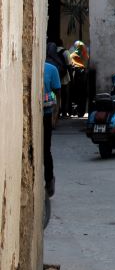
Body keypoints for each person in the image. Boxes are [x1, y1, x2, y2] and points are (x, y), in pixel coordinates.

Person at [43, 60, 61, 197]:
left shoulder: (51, 69)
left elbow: (57, 94)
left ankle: (49, 179)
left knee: (45, 150)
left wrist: (55, 115)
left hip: (46, 115)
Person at [69, 40, 89, 117]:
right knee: (81, 94)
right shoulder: (85, 54)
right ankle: (80, 111)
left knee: (76, 93)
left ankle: (76, 111)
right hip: (82, 74)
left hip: (78, 74)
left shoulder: (73, 53)